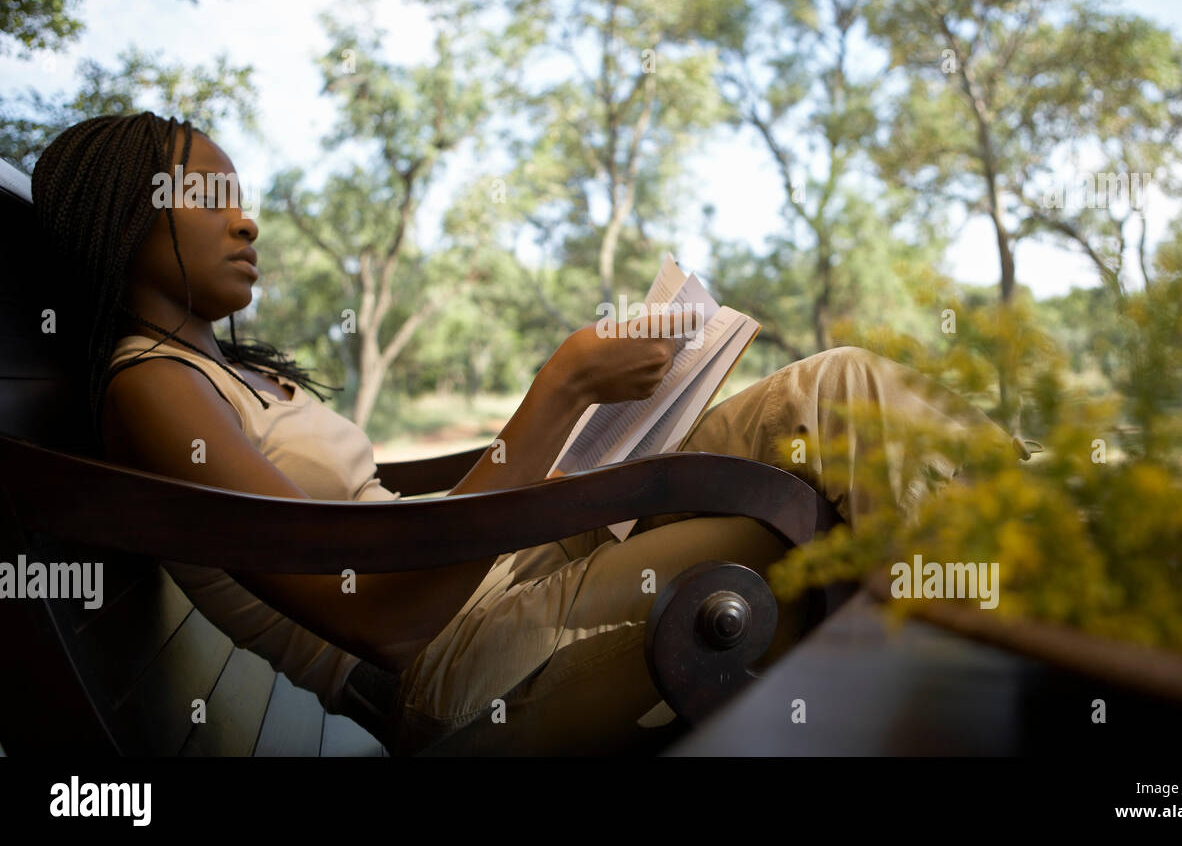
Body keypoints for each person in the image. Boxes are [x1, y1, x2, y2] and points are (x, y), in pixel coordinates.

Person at [29, 112, 1031, 756]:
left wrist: (599, 414)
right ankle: (1050, 621)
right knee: (822, 455)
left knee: (824, 394)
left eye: (242, 197)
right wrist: (558, 393)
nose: (245, 222)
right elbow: (379, 618)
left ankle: (1037, 585)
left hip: (488, 578)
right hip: (453, 662)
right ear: (125, 216)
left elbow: (377, 523)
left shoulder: (217, 373)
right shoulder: (149, 385)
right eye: (209, 197)